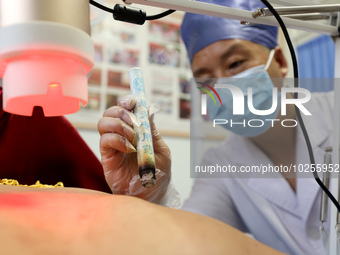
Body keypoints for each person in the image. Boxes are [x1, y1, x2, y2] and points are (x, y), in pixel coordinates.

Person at [97, 0, 334, 254]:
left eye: (235, 64)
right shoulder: (221, 165)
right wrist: (148, 198)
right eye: (206, 80)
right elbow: (186, 239)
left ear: (279, 60)